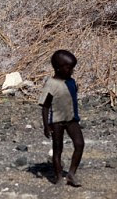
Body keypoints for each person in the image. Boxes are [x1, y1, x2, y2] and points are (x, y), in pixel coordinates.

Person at [39, 49, 84, 186]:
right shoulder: (51, 84)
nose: (71, 71)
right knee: (57, 149)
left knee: (80, 144)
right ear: (58, 68)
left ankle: (71, 174)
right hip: (56, 121)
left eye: (72, 68)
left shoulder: (72, 82)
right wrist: (46, 125)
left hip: (71, 119)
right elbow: (45, 106)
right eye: (69, 68)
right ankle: (58, 176)